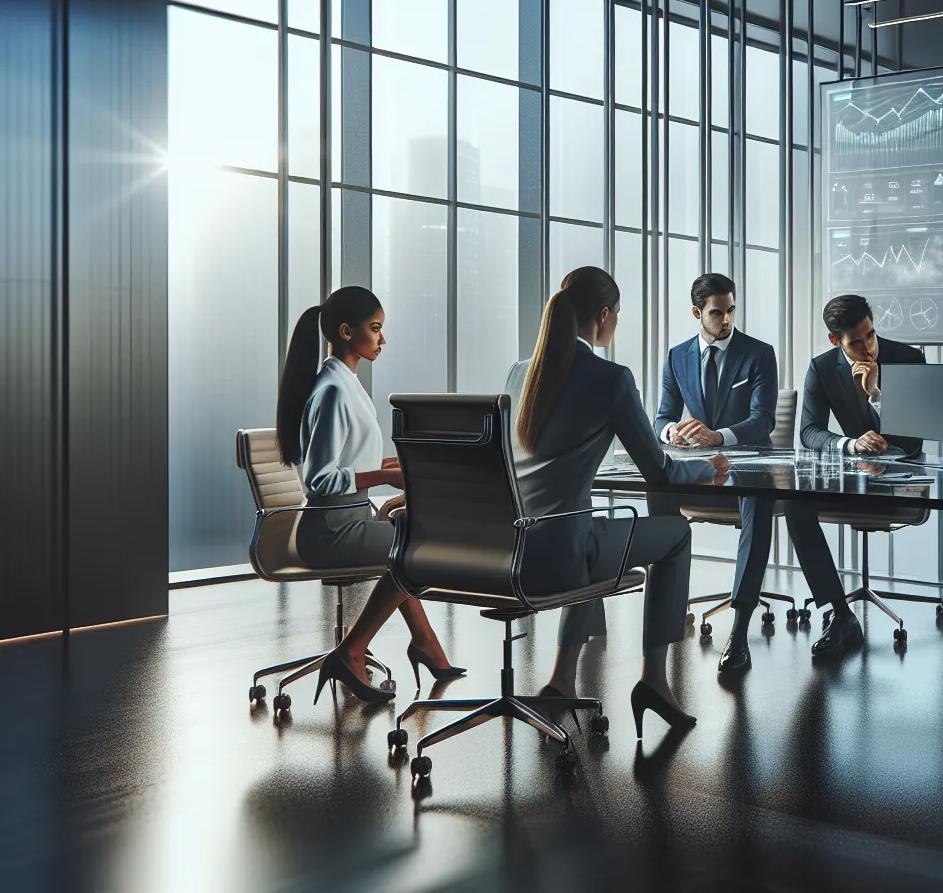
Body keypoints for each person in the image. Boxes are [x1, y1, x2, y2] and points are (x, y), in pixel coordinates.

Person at [505, 266, 725, 739]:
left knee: (600, 531)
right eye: (618, 315)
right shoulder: (611, 378)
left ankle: (563, 679)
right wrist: (709, 468)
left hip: (509, 548)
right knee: (675, 535)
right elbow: (661, 472)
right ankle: (654, 681)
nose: (617, 323)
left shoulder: (520, 372)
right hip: (560, 552)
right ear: (603, 316)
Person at [274, 286, 462, 705]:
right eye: (375, 329)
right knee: (418, 549)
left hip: (350, 518)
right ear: (346, 331)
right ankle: (352, 651)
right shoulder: (334, 390)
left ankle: (426, 643)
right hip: (330, 529)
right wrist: (382, 476)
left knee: (412, 537)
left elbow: (352, 460)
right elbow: (320, 479)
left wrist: (400, 465)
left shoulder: (345, 383)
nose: (382, 339)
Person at [652, 273, 782, 674]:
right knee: (659, 490)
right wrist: (672, 431)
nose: (726, 319)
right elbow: (662, 417)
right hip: (706, 470)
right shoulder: (677, 356)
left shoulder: (759, 354)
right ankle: (667, 612)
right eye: (716, 312)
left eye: (730, 311)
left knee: (757, 503)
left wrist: (718, 437)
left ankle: (740, 628)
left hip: (749, 462)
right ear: (697, 313)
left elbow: (763, 421)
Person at [785, 294, 928, 660]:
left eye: (871, 335)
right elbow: (809, 432)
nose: (868, 347)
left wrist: (877, 395)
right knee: (795, 505)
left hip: (902, 476)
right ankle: (841, 613)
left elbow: (913, 437)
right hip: (855, 475)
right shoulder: (821, 368)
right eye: (856, 342)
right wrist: (849, 444)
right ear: (836, 341)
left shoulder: (909, 359)